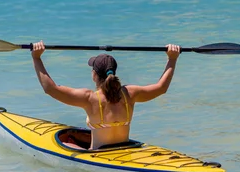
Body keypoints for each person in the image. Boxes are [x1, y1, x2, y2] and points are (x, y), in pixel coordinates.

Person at [31, 41, 181, 150]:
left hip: (99, 155)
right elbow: (161, 88)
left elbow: (50, 89)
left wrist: (36, 57)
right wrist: (172, 59)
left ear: (94, 75)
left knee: (66, 142)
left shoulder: (89, 98)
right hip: (127, 149)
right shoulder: (130, 93)